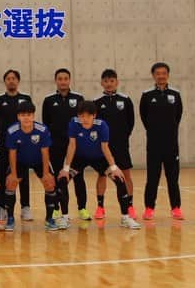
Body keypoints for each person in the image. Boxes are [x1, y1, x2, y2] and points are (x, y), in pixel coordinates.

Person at [56, 101, 141, 230]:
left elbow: (105, 148)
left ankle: (125, 218)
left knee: (120, 180)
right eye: (82, 116)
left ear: (94, 115)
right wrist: (66, 168)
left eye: (88, 116)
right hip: (79, 158)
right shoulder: (74, 123)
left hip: (99, 159)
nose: (84, 119)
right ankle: (65, 217)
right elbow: (72, 145)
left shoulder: (102, 125)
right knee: (62, 180)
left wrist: (114, 167)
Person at [1, 102, 60, 232]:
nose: (26, 118)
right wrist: (13, 174)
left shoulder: (42, 130)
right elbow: (12, 154)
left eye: (29, 115)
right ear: (18, 117)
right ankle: (10, 218)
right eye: (23, 115)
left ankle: (49, 219)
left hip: (39, 161)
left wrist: (46, 173)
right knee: (10, 183)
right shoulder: (12, 131)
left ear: (33, 116)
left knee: (50, 183)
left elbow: (45, 152)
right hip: (20, 161)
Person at [42, 68, 87, 226]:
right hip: (56, 146)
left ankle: (82, 208)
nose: (63, 81)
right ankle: (57, 208)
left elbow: (83, 121)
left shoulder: (78, 98)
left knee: (78, 177)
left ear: (69, 80)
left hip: (75, 145)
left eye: (65, 78)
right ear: (56, 81)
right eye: (60, 79)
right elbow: (46, 123)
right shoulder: (49, 100)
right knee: (59, 178)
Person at [140, 62, 184, 221]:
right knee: (152, 178)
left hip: (171, 144)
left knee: (173, 178)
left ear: (168, 75)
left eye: (164, 73)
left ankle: (176, 208)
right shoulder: (147, 95)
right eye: (158, 73)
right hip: (154, 145)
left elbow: (178, 116)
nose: (161, 76)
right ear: (153, 75)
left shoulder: (175, 94)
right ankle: (149, 208)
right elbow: (144, 117)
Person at [94, 69, 137, 220]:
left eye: (112, 81)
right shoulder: (97, 102)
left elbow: (131, 122)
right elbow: (94, 124)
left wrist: (123, 136)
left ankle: (129, 206)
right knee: (102, 175)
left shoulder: (125, 100)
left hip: (121, 145)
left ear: (117, 82)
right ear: (101, 83)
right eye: (106, 81)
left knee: (126, 174)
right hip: (103, 147)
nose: (109, 84)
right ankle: (100, 207)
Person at [0, 69, 33, 221]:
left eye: (14, 78)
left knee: (23, 176)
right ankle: (3, 207)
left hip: (23, 144)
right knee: (3, 174)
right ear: (5, 81)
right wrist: (5, 133)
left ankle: (25, 207)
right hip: (4, 143)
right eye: (8, 78)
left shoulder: (26, 99)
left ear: (18, 81)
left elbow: (29, 119)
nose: (11, 81)